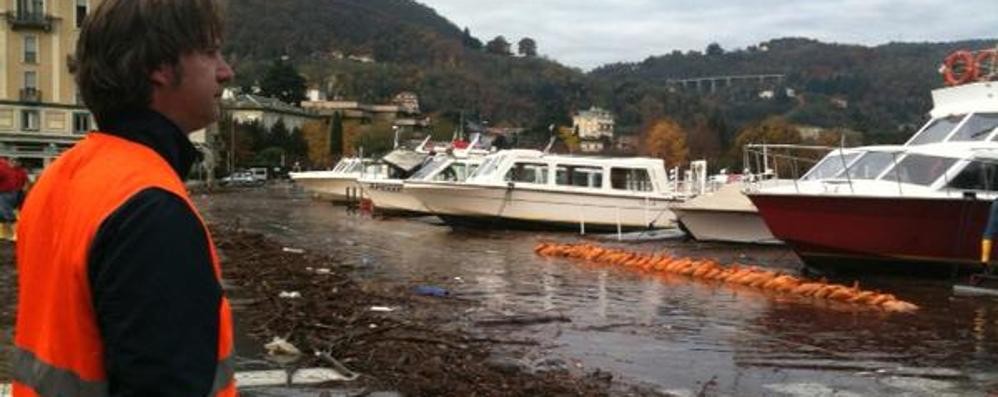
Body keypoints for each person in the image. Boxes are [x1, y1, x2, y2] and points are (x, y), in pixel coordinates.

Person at [13, 0, 237, 395]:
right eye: (209, 52)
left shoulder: (59, 179)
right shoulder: (150, 209)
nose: (225, 71)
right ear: (159, 68)